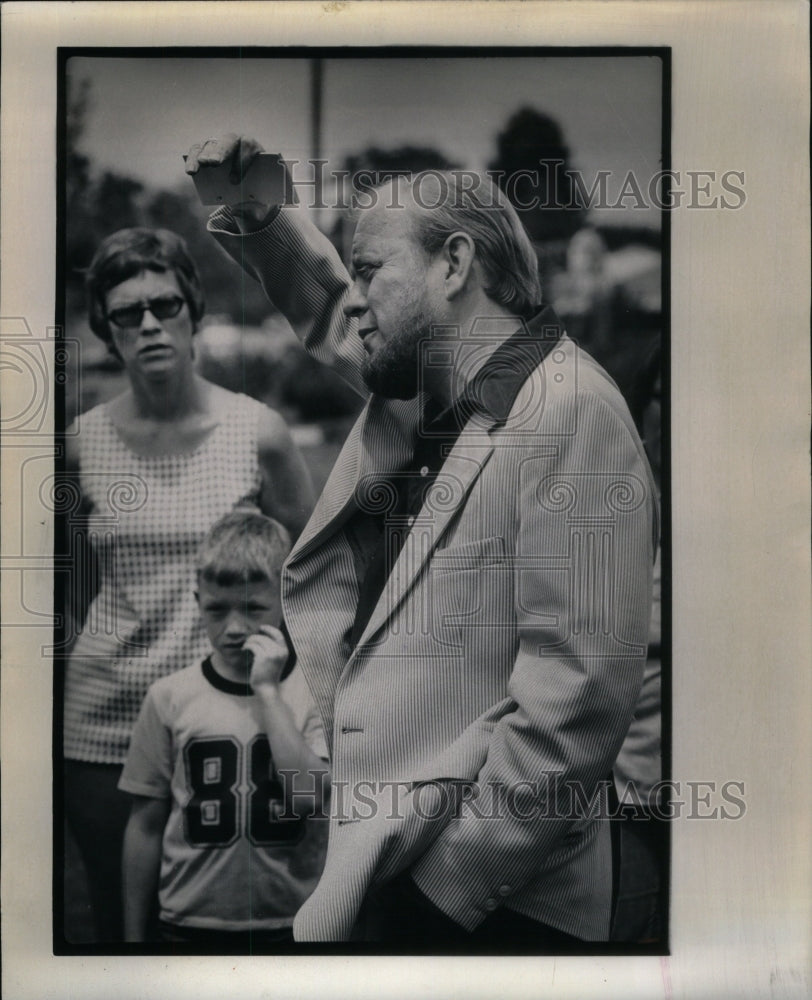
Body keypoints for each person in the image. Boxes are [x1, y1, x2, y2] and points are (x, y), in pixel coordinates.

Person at [185, 134, 659, 946]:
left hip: (499, 907)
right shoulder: (439, 392)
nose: (355, 299)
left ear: (454, 265)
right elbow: (340, 318)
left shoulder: (570, 410)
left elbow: (574, 702)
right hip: (392, 857)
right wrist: (263, 220)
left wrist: (445, 892)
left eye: (371, 271)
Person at [62, 226, 315, 942]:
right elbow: (67, 584)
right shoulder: (80, 446)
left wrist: (271, 686)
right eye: (125, 313)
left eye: (165, 304)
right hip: (105, 720)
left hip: (229, 714)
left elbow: (308, 575)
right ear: (106, 331)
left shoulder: (258, 432)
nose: (148, 324)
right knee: (121, 923)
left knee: (231, 919)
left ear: (194, 309)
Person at [119, 511, 329, 946]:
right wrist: (133, 939)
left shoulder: (314, 690)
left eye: (253, 608)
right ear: (197, 601)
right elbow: (145, 824)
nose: (234, 629)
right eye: (216, 609)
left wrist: (268, 691)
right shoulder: (169, 696)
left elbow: (307, 796)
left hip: (292, 923)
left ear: (287, 598)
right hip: (187, 922)